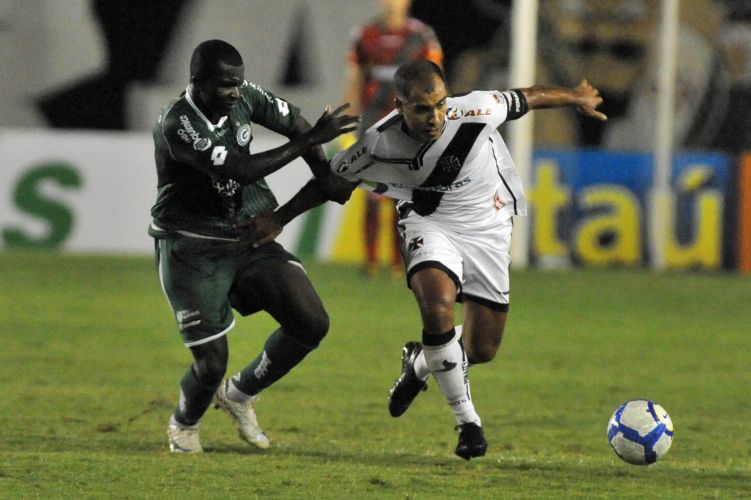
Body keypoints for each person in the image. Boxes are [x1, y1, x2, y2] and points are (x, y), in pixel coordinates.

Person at [239, 60, 607, 459]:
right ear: (400, 106)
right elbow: (330, 183)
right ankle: (468, 424)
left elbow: (526, 98)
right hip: (429, 222)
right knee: (437, 306)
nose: (434, 117)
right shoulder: (377, 144)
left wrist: (576, 97)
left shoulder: (476, 109)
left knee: (481, 348)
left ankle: (419, 363)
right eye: (421, 109)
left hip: (488, 225)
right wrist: (279, 218)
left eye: (440, 104)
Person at [149, 39, 358, 453]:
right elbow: (240, 169)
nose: (234, 92)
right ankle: (184, 424)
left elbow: (297, 123)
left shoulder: (245, 95)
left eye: (238, 83)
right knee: (211, 364)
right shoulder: (179, 123)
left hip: (246, 232)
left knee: (310, 322)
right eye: (225, 85)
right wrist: (310, 142)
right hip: (192, 245)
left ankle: (239, 394)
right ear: (198, 82)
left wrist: (324, 174)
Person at [343, 0, 443, 277]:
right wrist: (349, 117)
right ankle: (371, 261)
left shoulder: (421, 35)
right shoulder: (364, 34)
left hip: (408, 125)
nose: (391, 4)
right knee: (372, 192)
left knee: (402, 195)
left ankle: (400, 262)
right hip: (373, 123)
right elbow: (354, 79)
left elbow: (435, 81)